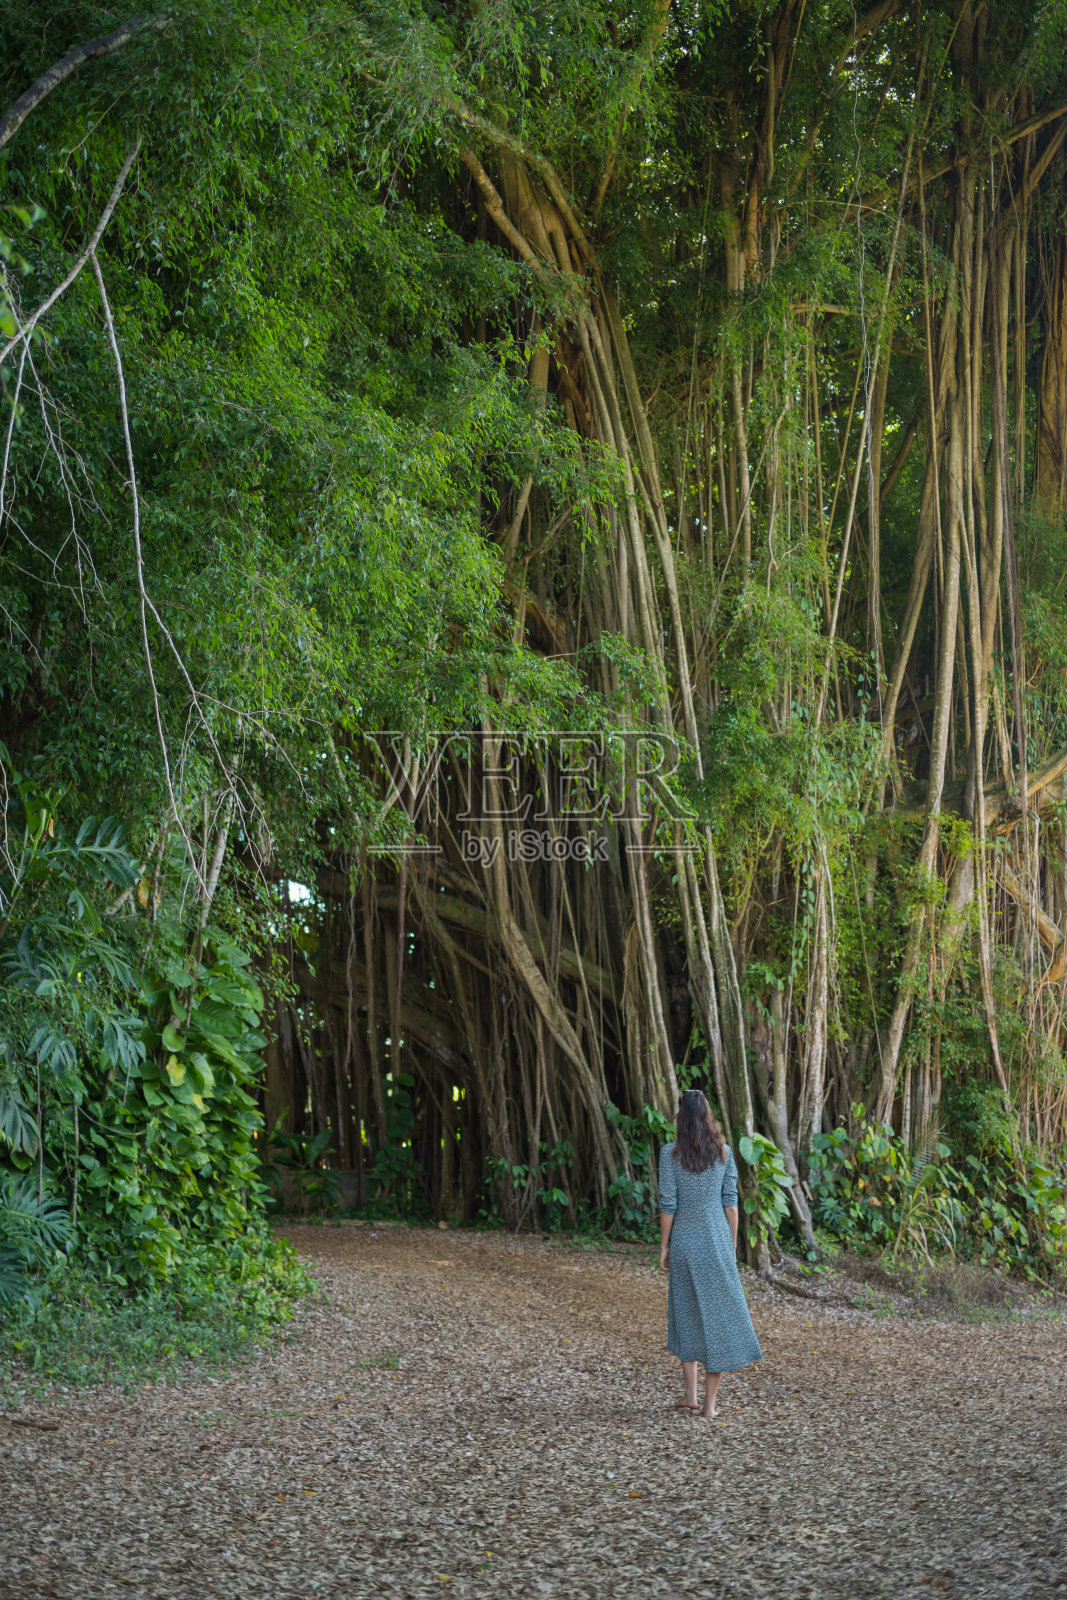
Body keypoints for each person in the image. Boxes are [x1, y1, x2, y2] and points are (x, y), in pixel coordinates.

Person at [658, 1089, 763, 1418]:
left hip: (685, 1244)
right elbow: (731, 1204)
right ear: (707, 1115)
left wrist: (664, 1245)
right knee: (718, 1322)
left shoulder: (669, 1154)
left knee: (686, 1316)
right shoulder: (724, 1153)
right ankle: (709, 1405)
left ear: (681, 1117)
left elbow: (668, 1204)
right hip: (716, 1241)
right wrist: (731, 1244)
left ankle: (690, 1395)